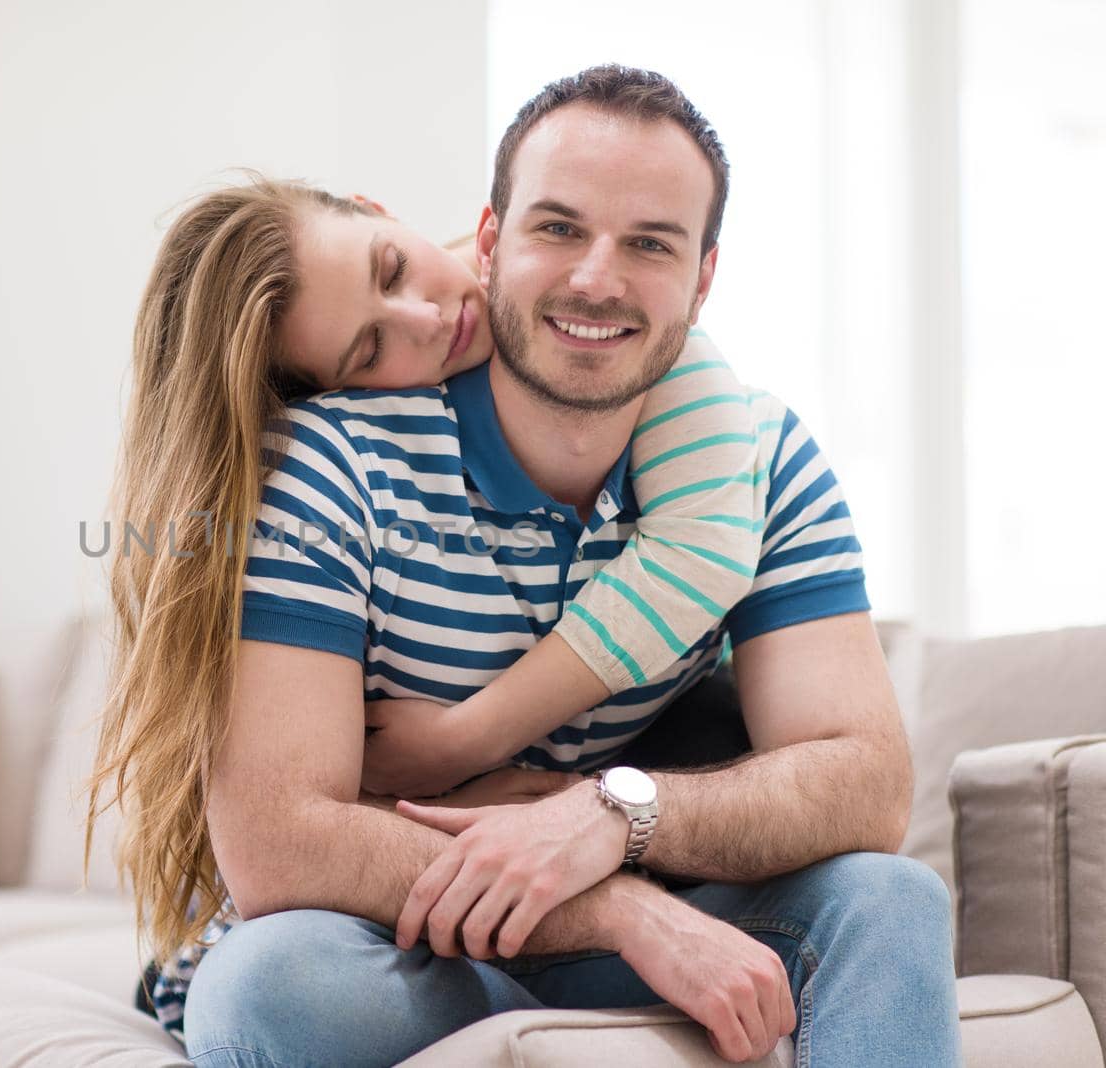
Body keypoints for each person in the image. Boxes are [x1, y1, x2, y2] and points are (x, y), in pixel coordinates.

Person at [90, 65, 960, 1066]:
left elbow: (861, 784)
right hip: (417, 946)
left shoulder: (758, 454)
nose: (597, 278)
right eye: (557, 228)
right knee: (266, 983)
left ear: (702, 278)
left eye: (649, 243)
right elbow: (279, 839)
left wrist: (610, 817)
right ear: (491, 238)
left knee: (888, 897)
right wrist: (619, 909)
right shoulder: (330, 463)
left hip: (660, 910)